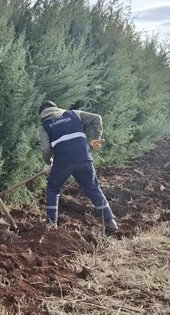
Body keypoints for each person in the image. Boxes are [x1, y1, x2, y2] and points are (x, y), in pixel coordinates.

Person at [38, 100, 118, 233]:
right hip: (84, 158)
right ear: (56, 108)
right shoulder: (74, 114)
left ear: (42, 114)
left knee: (53, 189)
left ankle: (52, 225)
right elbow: (97, 118)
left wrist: (48, 162)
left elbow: (46, 148)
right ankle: (110, 221)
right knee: (93, 188)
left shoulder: (44, 126)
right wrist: (96, 138)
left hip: (63, 162)